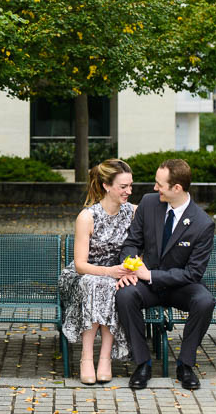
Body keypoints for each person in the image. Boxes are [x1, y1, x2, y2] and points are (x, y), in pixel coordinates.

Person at [115, 158, 215, 391]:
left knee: (205, 301)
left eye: (160, 184)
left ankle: (186, 365)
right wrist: (130, 267)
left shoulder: (203, 223)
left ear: (177, 188)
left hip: (180, 286)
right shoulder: (149, 204)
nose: (154, 188)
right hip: (146, 284)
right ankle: (142, 363)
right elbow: (131, 243)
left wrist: (150, 275)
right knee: (124, 295)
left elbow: (194, 273)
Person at [58, 159, 137, 385]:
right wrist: (109, 271)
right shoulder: (87, 217)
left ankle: (104, 358)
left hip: (116, 275)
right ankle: (86, 357)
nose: (129, 191)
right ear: (106, 185)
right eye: (123, 187)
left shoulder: (133, 213)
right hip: (82, 276)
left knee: (113, 286)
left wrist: (128, 270)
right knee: (95, 283)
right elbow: (81, 264)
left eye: (130, 186)